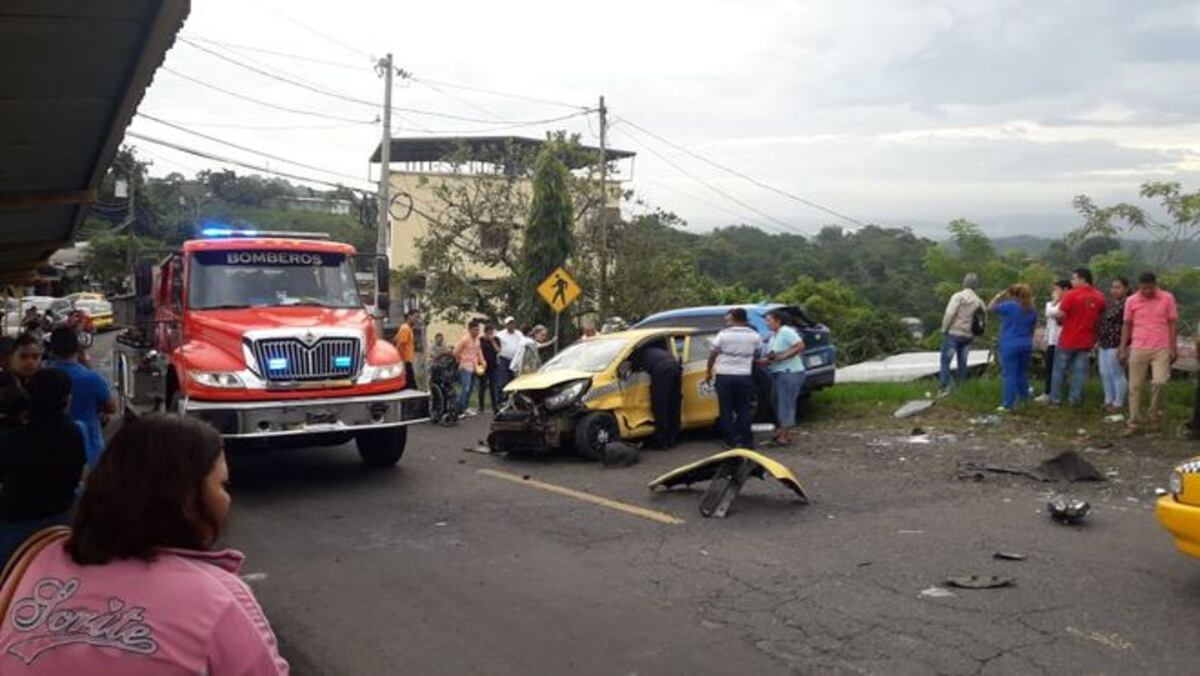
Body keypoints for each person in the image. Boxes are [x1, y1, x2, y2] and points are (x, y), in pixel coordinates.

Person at [0, 414, 289, 674]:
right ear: (187, 500)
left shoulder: (42, 556)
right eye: (223, 485)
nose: (228, 499)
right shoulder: (219, 599)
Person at [0, 369, 86, 564]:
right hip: (62, 518)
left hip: (15, 522)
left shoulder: (10, 439)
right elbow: (78, 474)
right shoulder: (73, 432)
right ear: (66, 400)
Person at [47, 327, 116, 467]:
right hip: (89, 451)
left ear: (51, 351)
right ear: (78, 350)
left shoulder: (42, 376)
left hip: (52, 451)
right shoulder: (93, 378)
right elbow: (112, 407)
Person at [1120, 271, 1178, 436]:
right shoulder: (1131, 300)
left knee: (1160, 382)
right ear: (1139, 286)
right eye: (1143, 288)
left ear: (1155, 284)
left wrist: (1173, 347)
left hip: (1161, 347)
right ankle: (1134, 423)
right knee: (1135, 386)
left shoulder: (1167, 298)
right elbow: (1127, 325)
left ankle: (1154, 417)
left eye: (1150, 288)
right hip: (1138, 346)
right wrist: (1123, 347)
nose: (1146, 291)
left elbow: (1172, 323)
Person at [1048, 268, 1106, 407]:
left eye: (1074, 278)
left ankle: (1055, 399)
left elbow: (1060, 315)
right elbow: (1101, 317)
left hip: (1068, 339)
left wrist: (1057, 319)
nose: (1072, 281)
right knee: (1079, 372)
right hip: (1086, 340)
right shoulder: (1100, 296)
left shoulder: (1071, 295)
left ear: (1082, 279)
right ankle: (1074, 400)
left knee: (1059, 370)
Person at [706, 308, 760, 449]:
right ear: (745, 319)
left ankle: (730, 441)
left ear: (733, 318)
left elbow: (712, 354)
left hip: (724, 376)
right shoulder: (754, 335)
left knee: (726, 410)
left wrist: (708, 371)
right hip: (744, 376)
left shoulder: (723, 334)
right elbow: (757, 353)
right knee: (744, 409)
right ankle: (747, 441)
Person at [989, 284, 1038, 412]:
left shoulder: (1009, 306)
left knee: (1009, 375)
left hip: (1009, 344)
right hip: (1025, 344)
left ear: (1013, 295)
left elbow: (990, 308)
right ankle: (1024, 399)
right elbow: (1032, 329)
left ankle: (1008, 404)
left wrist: (998, 296)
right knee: (1022, 373)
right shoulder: (1032, 309)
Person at [760, 309, 806, 447]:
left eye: (769, 320)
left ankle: (784, 435)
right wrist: (765, 361)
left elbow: (800, 346)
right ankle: (783, 431)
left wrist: (783, 357)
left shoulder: (786, 331)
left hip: (789, 372)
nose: (767, 323)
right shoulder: (774, 335)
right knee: (776, 401)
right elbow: (774, 355)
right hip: (778, 371)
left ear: (778, 321)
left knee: (785, 403)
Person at [632, 340, 682, 449]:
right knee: (674, 403)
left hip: (661, 370)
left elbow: (633, 369)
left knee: (660, 405)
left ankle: (662, 441)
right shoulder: (657, 351)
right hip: (675, 366)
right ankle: (673, 438)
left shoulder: (637, 354)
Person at [939, 273, 984, 393]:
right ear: (976, 286)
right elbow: (983, 318)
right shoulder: (979, 301)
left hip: (954, 333)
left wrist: (944, 329)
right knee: (963, 363)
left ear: (964, 283)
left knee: (945, 361)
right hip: (968, 336)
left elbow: (949, 314)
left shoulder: (958, 296)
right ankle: (962, 388)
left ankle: (946, 388)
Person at [1097, 277, 1130, 415]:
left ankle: (1118, 402)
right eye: (1113, 287)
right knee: (1104, 372)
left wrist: (1125, 346)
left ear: (1126, 289)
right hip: (1104, 342)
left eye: (1118, 287)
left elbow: (1128, 325)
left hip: (1117, 342)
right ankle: (1108, 399)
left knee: (1117, 373)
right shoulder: (1110, 304)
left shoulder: (1128, 304)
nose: (1114, 290)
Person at [0, 332, 44, 429]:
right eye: (23, 356)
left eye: (35, 357)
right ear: (11, 358)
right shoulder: (3, 385)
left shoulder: (45, 385)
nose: (30, 362)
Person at [1036, 280, 1071, 401]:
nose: (1054, 292)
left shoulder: (1067, 303)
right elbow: (1049, 311)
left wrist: (1055, 301)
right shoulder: (1052, 303)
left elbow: (1050, 312)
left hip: (1060, 340)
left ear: (1065, 290)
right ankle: (1050, 391)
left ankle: (1052, 393)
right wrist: (1054, 302)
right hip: (1052, 340)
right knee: (1050, 367)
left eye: (1057, 289)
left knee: (1056, 368)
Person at [452, 321, 484, 416]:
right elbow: (455, 352)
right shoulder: (465, 339)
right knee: (466, 388)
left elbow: (479, 352)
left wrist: (483, 362)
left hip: (474, 366)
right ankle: (459, 409)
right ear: (469, 330)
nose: (477, 332)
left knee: (470, 389)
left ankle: (465, 407)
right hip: (465, 366)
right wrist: (458, 361)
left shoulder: (477, 340)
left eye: (478, 330)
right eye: (475, 330)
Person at [392, 309, 420, 390]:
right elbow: (400, 345)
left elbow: (395, 340)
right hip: (405, 361)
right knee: (412, 386)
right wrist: (401, 362)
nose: (417, 320)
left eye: (418, 318)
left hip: (406, 361)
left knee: (406, 386)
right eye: (416, 317)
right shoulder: (405, 329)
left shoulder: (405, 328)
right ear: (409, 316)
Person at [495, 317, 525, 392]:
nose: (511, 325)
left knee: (514, 381)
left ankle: (511, 397)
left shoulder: (519, 334)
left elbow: (523, 345)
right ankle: (501, 397)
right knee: (502, 381)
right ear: (506, 325)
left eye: (512, 323)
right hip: (504, 360)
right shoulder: (500, 334)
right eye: (509, 324)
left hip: (516, 360)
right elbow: (495, 345)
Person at [478, 325, 501, 413]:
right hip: (482, 366)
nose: (491, 334)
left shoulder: (496, 340)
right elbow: (478, 351)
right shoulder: (481, 340)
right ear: (485, 332)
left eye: (492, 332)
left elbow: (498, 350)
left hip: (493, 366)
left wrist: (492, 341)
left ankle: (494, 406)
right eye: (489, 333)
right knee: (482, 386)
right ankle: (481, 406)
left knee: (493, 386)